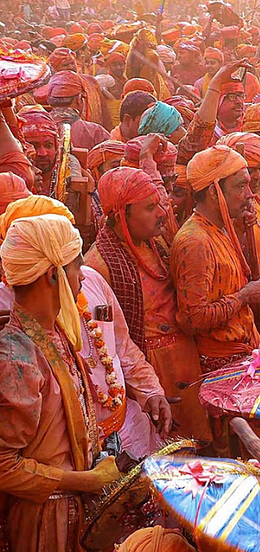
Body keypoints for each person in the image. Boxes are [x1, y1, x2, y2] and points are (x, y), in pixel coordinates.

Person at [0, 214, 122, 552]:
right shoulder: (16, 356)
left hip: (74, 514)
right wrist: (84, 480)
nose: (82, 276)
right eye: (75, 266)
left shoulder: (54, 333)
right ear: (53, 275)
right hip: (44, 523)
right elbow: (4, 466)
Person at [84, 167, 211, 444]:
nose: (161, 213)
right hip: (149, 371)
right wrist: (146, 390)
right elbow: (109, 343)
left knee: (201, 445)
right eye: (150, 207)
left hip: (185, 362)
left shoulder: (157, 241)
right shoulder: (98, 267)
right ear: (121, 215)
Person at [170, 145, 260, 373]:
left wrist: (239, 232)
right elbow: (193, 318)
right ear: (214, 193)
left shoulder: (218, 228)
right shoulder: (195, 241)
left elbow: (221, 282)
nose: (249, 194)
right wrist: (244, 296)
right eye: (241, 186)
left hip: (242, 353)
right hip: (221, 364)